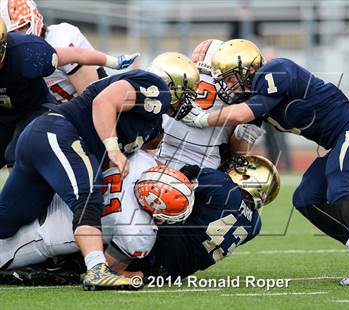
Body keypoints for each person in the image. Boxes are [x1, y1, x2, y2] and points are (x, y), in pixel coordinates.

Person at [181, 39, 349, 286]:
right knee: (306, 198)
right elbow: (244, 137)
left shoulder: (277, 70)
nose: (227, 85)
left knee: (341, 191)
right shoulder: (254, 95)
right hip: (337, 142)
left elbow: (245, 113)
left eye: (229, 78)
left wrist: (202, 119)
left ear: (247, 67)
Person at [0, 52, 199, 290]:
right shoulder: (153, 85)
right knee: (90, 194)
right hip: (57, 132)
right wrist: (113, 149)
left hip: (46, 142)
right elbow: (103, 102)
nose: (188, 100)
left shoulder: (153, 123)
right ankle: (96, 269)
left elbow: (147, 159)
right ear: (173, 85)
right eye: (187, 92)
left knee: (7, 220)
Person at [0, 155, 280, 284]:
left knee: (120, 222)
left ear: (246, 177)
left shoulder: (220, 183)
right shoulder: (255, 225)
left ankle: (65, 264)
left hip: (154, 247)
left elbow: (178, 183)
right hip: (170, 274)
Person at [0, 150, 194, 281]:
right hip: (41, 236)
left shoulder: (140, 162)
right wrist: (143, 274)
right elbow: (108, 271)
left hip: (46, 199)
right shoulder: (139, 231)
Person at [0, 17, 138, 168]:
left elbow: (77, 54)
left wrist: (113, 62)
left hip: (34, 108)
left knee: (18, 152)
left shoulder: (28, 52)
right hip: (5, 113)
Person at [157, 39, 264, 169]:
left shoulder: (175, 80)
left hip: (163, 157)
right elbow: (237, 152)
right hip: (208, 166)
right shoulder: (239, 89)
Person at [0, 0, 105, 103]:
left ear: (34, 18)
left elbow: (94, 100)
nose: (17, 36)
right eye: (11, 33)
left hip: (88, 110)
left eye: (21, 28)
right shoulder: (10, 57)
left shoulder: (61, 38)